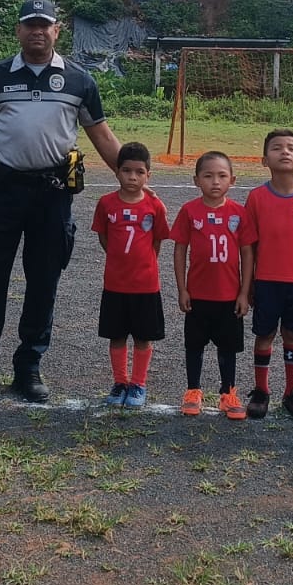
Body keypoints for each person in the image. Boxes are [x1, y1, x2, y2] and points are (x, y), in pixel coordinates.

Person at [0, 0, 122, 404]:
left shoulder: (79, 80)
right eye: (30, 25)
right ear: (18, 30)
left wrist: (133, 177)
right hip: (3, 193)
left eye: (45, 25)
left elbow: (103, 136)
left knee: (43, 282)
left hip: (53, 196)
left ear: (57, 30)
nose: (38, 31)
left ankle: (29, 366)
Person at [241, 129, 293, 421]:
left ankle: (291, 392)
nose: (285, 152)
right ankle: (261, 391)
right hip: (267, 281)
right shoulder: (256, 197)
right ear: (264, 160)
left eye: (291, 148)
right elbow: (250, 246)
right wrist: (249, 283)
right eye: (277, 148)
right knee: (264, 334)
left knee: (292, 333)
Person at [91, 142, 170, 409]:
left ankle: (138, 384)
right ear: (117, 172)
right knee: (116, 335)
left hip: (145, 285)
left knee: (142, 337)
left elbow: (157, 241)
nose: (132, 177)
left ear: (148, 175)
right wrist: (118, 260)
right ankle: (120, 382)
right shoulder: (106, 204)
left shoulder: (155, 206)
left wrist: (144, 263)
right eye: (126, 171)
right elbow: (104, 237)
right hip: (115, 283)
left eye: (139, 172)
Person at [172, 151, 249, 417]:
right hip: (198, 295)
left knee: (228, 347)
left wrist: (244, 292)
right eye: (208, 176)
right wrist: (182, 288)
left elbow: (247, 253)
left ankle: (228, 393)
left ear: (232, 180)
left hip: (229, 296)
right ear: (196, 180)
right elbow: (180, 249)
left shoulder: (239, 213)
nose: (215, 182)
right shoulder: (189, 211)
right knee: (194, 346)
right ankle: (193, 390)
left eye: (222, 176)